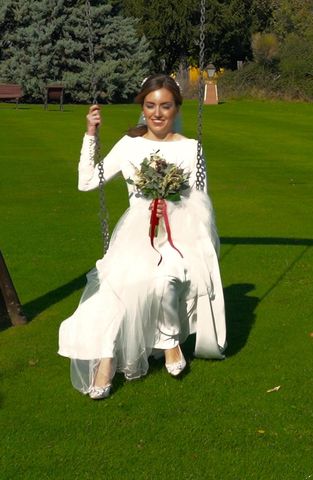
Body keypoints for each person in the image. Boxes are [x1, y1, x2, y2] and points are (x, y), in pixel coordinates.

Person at [58, 74, 226, 399]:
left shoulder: (192, 149)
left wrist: (198, 241)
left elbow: (201, 200)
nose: (158, 113)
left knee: (164, 279)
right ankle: (106, 360)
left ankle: (169, 340)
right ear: (143, 108)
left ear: (177, 108)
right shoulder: (130, 146)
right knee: (115, 286)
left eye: (165, 106)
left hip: (178, 236)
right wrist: (91, 134)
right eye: (151, 106)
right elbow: (87, 181)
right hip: (134, 234)